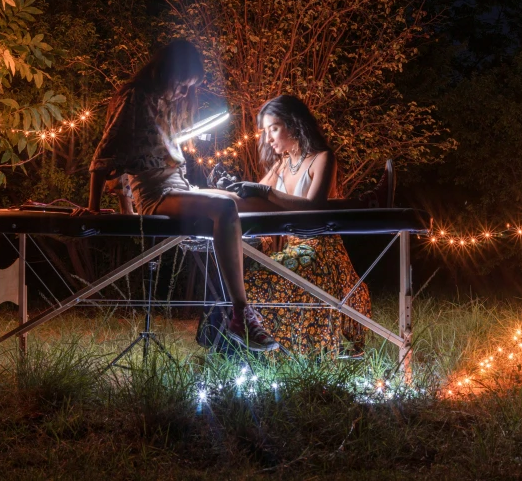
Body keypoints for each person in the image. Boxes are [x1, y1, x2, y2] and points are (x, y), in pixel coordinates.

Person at [78, 40, 279, 352]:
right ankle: (240, 313)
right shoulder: (134, 97)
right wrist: (97, 208)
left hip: (178, 187)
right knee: (225, 208)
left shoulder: (162, 104)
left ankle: (306, 215)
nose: (186, 93)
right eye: (184, 85)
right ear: (166, 72)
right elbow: (106, 155)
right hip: (157, 194)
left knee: (248, 199)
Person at [220, 95, 394, 355]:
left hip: (317, 249)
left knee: (257, 282)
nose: (267, 139)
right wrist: (229, 189)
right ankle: (242, 353)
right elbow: (257, 199)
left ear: (294, 124)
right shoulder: (280, 165)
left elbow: (314, 207)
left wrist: (264, 191)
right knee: (233, 281)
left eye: (274, 128)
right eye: (265, 132)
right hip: (281, 248)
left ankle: (271, 352)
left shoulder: (322, 158)